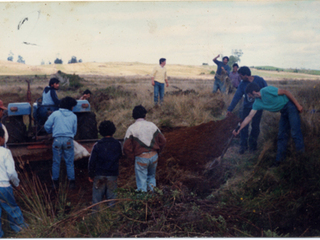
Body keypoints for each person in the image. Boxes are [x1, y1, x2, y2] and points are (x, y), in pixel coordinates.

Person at [233, 83, 305, 167]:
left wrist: (298, 105)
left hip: (290, 107)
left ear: (253, 92)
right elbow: (249, 117)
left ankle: (301, 159)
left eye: (249, 94)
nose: (249, 97)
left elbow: (286, 92)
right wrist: (239, 129)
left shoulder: (266, 90)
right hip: (283, 112)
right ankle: (279, 160)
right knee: (281, 136)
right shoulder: (257, 103)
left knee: (295, 132)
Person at [123, 105, 166, 192]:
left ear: (134, 116)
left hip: (141, 158)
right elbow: (163, 141)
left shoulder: (131, 128)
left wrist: (132, 158)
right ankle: (153, 199)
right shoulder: (152, 125)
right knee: (151, 177)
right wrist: (159, 152)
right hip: (154, 156)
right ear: (145, 115)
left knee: (141, 182)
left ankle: (142, 202)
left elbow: (126, 147)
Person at [227, 66, 268, 154]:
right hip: (247, 108)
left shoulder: (260, 80)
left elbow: (267, 90)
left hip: (258, 108)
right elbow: (237, 96)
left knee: (255, 127)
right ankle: (243, 146)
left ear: (246, 75)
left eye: (240, 75)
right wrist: (230, 109)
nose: (240, 77)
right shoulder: (242, 84)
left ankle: (253, 146)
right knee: (243, 125)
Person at [44, 97, 77, 189]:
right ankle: (72, 183)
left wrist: (51, 131)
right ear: (70, 106)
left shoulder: (55, 114)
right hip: (68, 141)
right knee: (70, 162)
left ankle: (55, 183)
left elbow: (47, 126)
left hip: (57, 140)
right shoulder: (73, 116)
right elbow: (74, 131)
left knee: (56, 162)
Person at [88, 120, 122, 209]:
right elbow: (120, 156)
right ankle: (111, 220)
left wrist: (91, 175)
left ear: (101, 131)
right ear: (113, 130)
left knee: (96, 201)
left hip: (99, 175)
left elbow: (92, 161)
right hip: (112, 176)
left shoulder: (97, 145)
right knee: (112, 200)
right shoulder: (117, 144)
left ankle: (95, 219)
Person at [0, 127, 27, 237]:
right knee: (12, 208)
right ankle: (20, 230)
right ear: (0, 138)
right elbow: (11, 172)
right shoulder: (5, 152)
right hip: (4, 186)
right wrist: (17, 184)